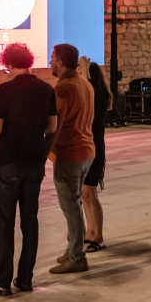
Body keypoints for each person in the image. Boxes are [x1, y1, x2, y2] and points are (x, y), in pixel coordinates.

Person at [0, 44, 57, 297]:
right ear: (29, 61)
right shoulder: (46, 89)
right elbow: (51, 126)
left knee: (4, 224)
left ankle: (2, 281)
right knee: (30, 223)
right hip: (34, 162)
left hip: (8, 163)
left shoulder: (5, 89)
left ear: (8, 63)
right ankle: (25, 279)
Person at [48, 44, 95, 275]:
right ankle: (71, 249)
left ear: (59, 62)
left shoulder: (63, 89)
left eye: (51, 58)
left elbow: (55, 125)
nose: (49, 62)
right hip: (87, 152)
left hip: (69, 154)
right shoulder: (85, 83)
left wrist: (44, 150)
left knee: (71, 208)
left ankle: (77, 257)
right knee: (74, 205)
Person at [82, 61, 112, 254]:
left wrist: (83, 70)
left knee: (90, 193)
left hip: (94, 148)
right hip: (88, 147)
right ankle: (89, 231)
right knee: (85, 193)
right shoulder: (100, 92)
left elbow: (86, 90)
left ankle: (98, 236)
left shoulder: (98, 94)